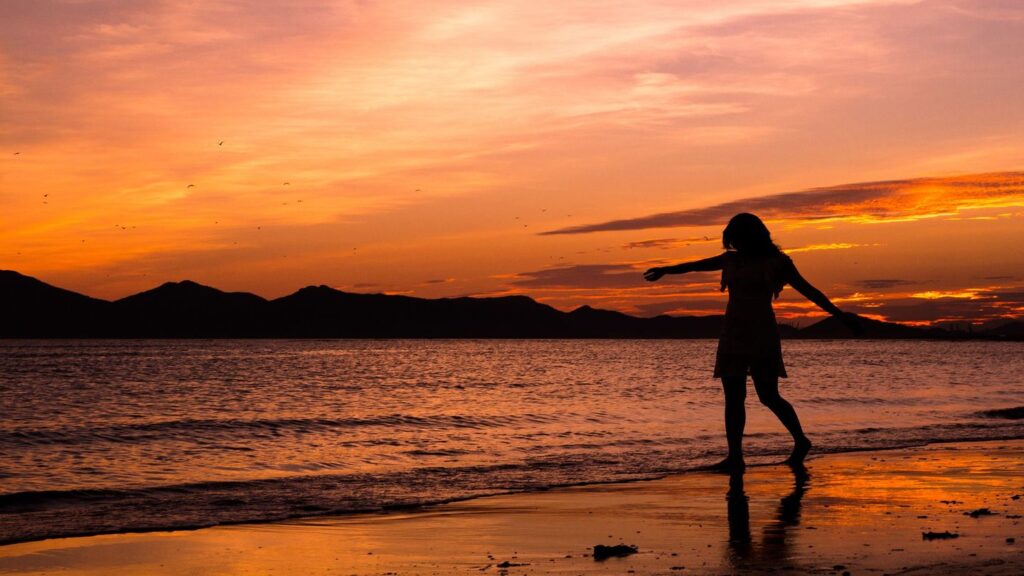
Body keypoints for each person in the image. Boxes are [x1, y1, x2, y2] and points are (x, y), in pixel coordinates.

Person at [643, 213, 862, 470]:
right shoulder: (730, 260)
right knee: (733, 397)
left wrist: (841, 317)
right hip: (733, 332)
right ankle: (735, 457)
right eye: (731, 239)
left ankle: (801, 441)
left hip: (762, 333)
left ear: (751, 236)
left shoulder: (778, 262)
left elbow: (810, 291)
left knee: (768, 395)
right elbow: (695, 265)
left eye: (737, 238)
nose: (734, 243)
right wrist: (665, 270)